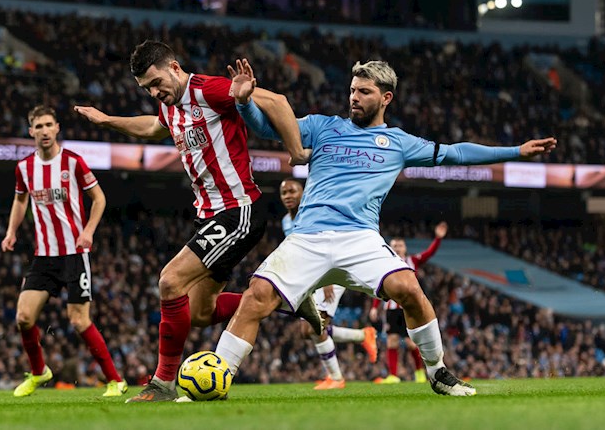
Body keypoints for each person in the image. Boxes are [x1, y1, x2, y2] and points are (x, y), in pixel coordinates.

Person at [214, 58, 557, 396]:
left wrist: (516, 151)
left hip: (359, 238)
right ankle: (218, 378)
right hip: (308, 236)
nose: (354, 98)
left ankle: (438, 372)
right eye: (352, 91)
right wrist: (244, 102)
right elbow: (267, 127)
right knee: (256, 297)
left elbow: (457, 154)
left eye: (364, 91)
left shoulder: (399, 143)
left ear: (386, 98)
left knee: (408, 286)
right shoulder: (322, 126)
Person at [74, 41, 319, 402]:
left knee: (170, 281)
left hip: (239, 210)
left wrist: (296, 152)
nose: (155, 92)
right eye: (146, 89)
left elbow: (277, 102)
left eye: (156, 82)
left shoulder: (209, 89)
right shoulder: (169, 105)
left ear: (174, 67)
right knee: (201, 312)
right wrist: (107, 120)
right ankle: (288, 298)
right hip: (209, 216)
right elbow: (153, 128)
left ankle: (162, 383)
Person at [2, 105, 127, 397]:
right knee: (23, 318)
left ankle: (115, 380)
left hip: (74, 253)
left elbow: (99, 199)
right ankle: (38, 372)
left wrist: (88, 231)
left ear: (57, 128)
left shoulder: (73, 162)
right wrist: (11, 231)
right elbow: (20, 202)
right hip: (43, 255)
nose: (44, 131)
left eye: (49, 125)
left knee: (79, 319)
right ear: (30, 131)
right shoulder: (24, 168)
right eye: (38, 126)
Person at [280, 178, 377, 390]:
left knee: (316, 326)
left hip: (331, 272)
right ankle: (363, 335)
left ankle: (336, 377)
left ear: (303, 192)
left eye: (292, 191)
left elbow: (328, 247)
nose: (288, 196)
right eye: (284, 192)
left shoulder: (314, 213)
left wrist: (327, 280)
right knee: (307, 331)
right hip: (311, 276)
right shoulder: (286, 222)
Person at [370, 222, 448, 384]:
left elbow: (428, 254)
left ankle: (419, 372)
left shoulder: (412, 261)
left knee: (411, 343)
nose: (397, 248)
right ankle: (393, 375)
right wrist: (374, 307)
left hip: (408, 308)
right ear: (389, 248)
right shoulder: (384, 264)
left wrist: (438, 239)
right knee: (391, 340)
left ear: (405, 248)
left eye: (400, 245)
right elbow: (378, 286)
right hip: (391, 308)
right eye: (394, 245)